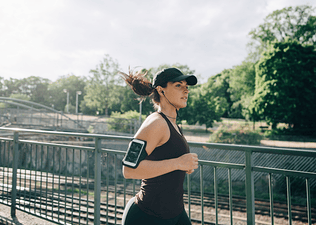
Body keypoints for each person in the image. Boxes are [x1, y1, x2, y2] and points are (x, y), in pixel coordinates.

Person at [120, 67, 199, 225]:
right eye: (178, 85)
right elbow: (128, 170)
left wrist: (183, 165)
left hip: (174, 212)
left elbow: (165, 158)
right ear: (161, 91)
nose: (186, 91)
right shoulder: (156, 122)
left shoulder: (172, 123)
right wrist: (178, 163)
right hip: (148, 216)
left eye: (187, 87)